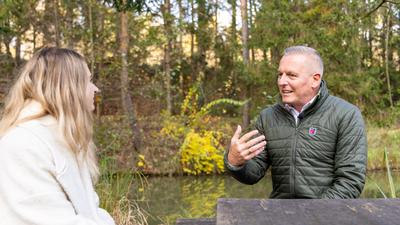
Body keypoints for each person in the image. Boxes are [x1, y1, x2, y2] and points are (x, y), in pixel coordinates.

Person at [225, 46, 367, 199]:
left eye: (291, 75)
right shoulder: (268, 117)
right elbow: (253, 173)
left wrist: (313, 214)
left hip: (326, 217)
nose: (282, 82)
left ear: (315, 79)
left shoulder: (346, 115)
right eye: (280, 75)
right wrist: (234, 161)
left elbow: (351, 181)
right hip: (281, 215)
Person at [0, 47, 115, 225]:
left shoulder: (62, 138)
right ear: (68, 87)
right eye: (88, 80)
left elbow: (90, 211)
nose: (95, 88)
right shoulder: (24, 144)